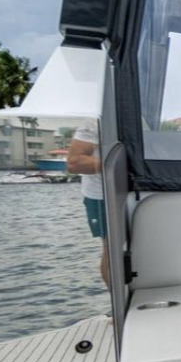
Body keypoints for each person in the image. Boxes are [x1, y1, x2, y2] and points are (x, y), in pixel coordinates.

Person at [67, 122, 109, 288]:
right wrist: (123, 162)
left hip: (138, 188)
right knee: (113, 249)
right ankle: (118, 300)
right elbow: (75, 163)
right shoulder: (92, 122)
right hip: (103, 196)